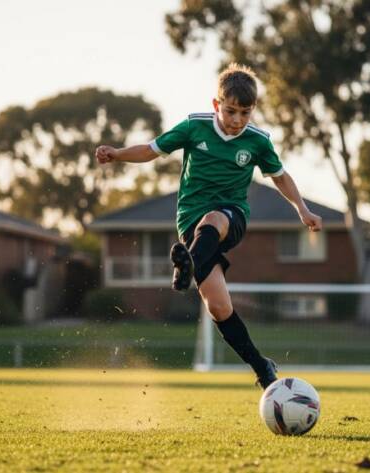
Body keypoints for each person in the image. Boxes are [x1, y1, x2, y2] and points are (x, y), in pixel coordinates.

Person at [95, 63, 322, 389]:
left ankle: (186, 263)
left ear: (253, 110)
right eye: (231, 111)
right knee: (218, 306)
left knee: (214, 218)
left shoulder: (258, 142)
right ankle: (262, 366)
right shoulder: (194, 127)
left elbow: (280, 177)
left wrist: (302, 209)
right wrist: (117, 154)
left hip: (232, 216)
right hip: (190, 223)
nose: (237, 120)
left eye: (245, 113)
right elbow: (151, 149)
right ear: (216, 105)